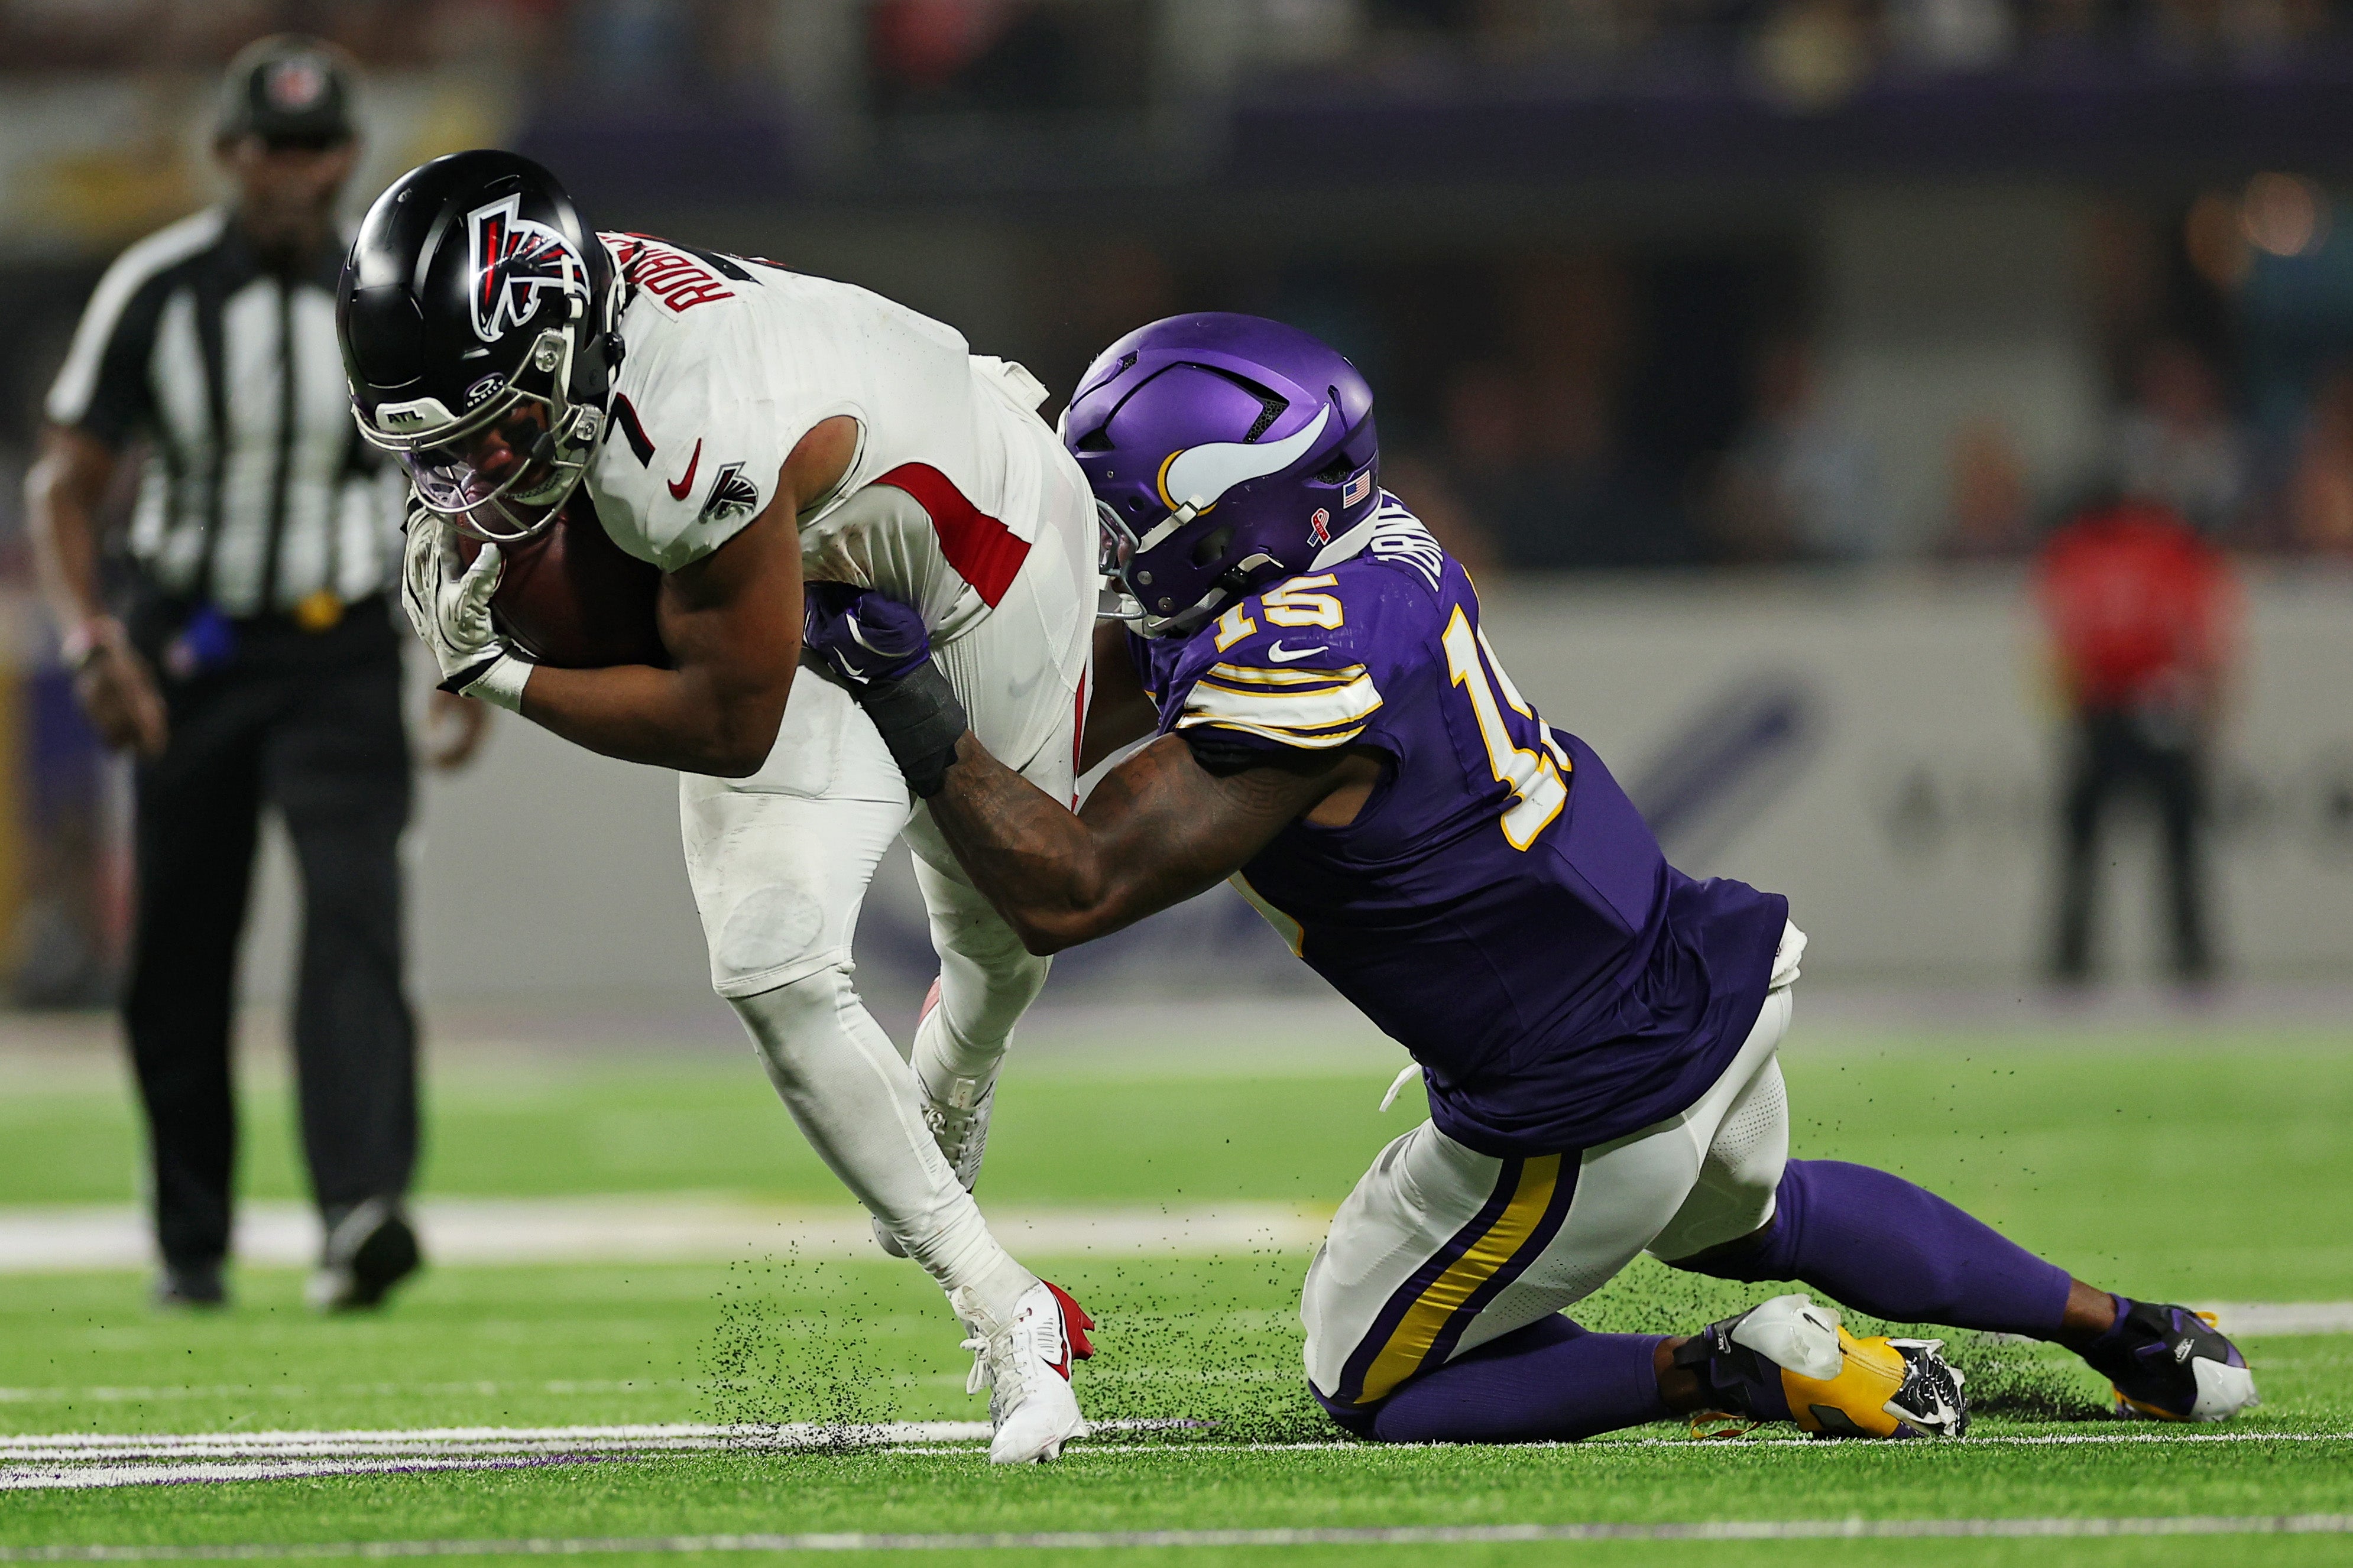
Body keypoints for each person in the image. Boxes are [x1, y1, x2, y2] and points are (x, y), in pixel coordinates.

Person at [805, 313, 2261, 1443]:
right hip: (1680, 970)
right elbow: (1082, 692)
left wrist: (902, 687)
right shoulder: (1351, 548)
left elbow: (1070, 884)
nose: (1106, 551)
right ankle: (2129, 1329)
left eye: (1125, 521)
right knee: (1757, 1212)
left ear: (1228, 521)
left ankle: (1722, 1374)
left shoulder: (1302, 655)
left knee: (1363, 1371)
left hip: (1582, 1089)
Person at [336, 151, 1096, 1463]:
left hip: (985, 555)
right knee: (767, 955)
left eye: (495, 434)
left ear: (562, 349)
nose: (471, 481)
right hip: (808, 557)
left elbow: (729, 720)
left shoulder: (690, 424)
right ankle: (1005, 1304)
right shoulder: (564, 328)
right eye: (439, 450)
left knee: (1004, 935)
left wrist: (501, 672)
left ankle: (955, 1086)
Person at [23, 35, 487, 1314]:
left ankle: (361, 1210)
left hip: (342, 649)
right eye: (271, 150)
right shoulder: (157, 290)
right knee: (179, 945)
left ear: (349, 154)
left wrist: (462, 648)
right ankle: (190, 1231)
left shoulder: (393, 291)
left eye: (317, 148)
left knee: (355, 920)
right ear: (229, 155)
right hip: (193, 647)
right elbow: (65, 478)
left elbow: (468, 474)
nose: (294, 174)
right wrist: (91, 641)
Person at [2036, 495, 2239, 986]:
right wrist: (2207, 719)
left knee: (2093, 846)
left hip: (2110, 712)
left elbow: (2056, 643)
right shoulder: (2171, 552)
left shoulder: (2078, 554)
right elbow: (2207, 643)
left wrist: (2069, 715)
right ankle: (2190, 963)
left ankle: (2072, 964)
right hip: (2152, 712)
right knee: (2172, 847)